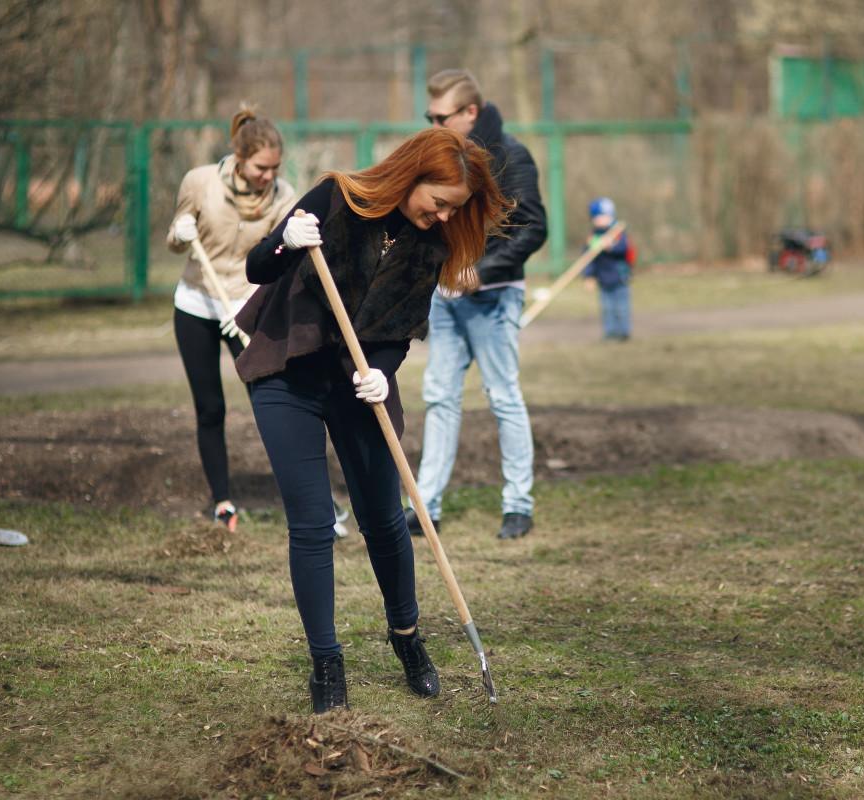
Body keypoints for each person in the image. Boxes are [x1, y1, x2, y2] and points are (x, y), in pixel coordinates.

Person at [234, 128, 510, 712]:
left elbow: (399, 331)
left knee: (384, 519)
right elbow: (259, 267)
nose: (443, 217)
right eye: (439, 201)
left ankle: (407, 638)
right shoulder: (336, 198)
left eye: (454, 210)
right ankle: (326, 664)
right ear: (413, 176)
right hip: (288, 371)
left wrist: (381, 373)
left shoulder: (427, 248)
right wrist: (286, 237)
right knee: (310, 524)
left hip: (358, 387)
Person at [409, 68, 548, 541]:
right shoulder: (440, 156)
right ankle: (426, 507)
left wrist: (483, 270)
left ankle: (517, 506)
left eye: (440, 116)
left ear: (470, 112)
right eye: (428, 116)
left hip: (493, 299)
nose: (433, 124)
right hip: (444, 301)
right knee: (439, 398)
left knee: (503, 397)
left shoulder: (510, 155)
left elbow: (533, 227)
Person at [167, 107, 296, 532]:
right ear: (239, 157)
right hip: (198, 303)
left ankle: (304, 497)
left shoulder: (283, 196)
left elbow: (281, 259)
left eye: (275, 167)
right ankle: (223, 502)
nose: (269, 175)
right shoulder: (200, 182)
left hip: (245, 305)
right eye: (262, 167)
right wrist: (181, 231)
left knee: (274, 398)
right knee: (210, 407)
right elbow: (175, 239)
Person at [582, 197, 633, 341]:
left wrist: (610, 246)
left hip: (619, 277)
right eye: (597, 218)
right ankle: (609, 332)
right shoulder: (593, 236)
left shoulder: (617, 233)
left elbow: (624, 249)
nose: (600, 220)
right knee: (607, 308)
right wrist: (589, 276)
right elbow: (588, 258)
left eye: (603, 217)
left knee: (621, 307)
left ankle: (623, 331)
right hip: (603, 279)